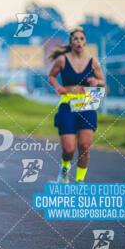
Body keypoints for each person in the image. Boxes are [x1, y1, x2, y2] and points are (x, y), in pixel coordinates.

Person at [48, 27, 105, 183]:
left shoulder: (93, 62)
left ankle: (80, 180)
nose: (78, 42)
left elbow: (102, 82)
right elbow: (51, 76)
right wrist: (57, 87)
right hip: (68, 106)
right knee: (69, 149)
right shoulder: (63, 60)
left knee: (85, 146)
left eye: (81, 39)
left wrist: (96, 82)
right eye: (75, 39)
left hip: (87, 105)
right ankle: (64, 169)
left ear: (85, 42)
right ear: (70, 42)